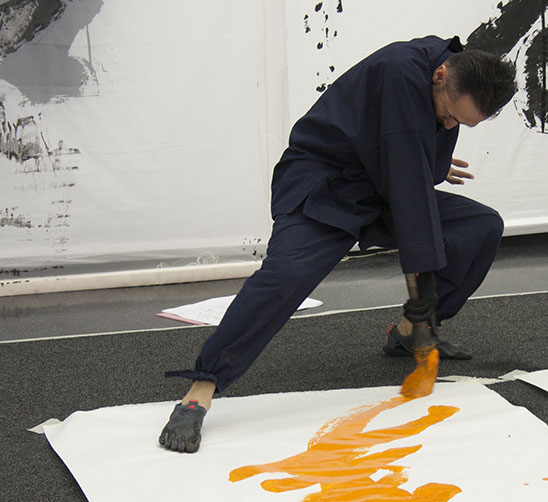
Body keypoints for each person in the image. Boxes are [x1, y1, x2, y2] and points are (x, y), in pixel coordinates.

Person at [159, 35, 517, 453]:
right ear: (441, 76)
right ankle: (201, 389)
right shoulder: (401, 73)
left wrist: (429, 155)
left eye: (460, 124)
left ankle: (405, 333)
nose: (450, 127)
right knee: (286, 276)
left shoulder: (452, 71)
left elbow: (408, 168)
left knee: (480, 226)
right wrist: (422, 295)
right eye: (448, 116)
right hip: (324, 183)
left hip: (378, 185)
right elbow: (410, 198)